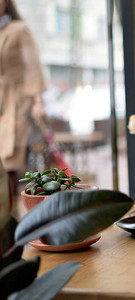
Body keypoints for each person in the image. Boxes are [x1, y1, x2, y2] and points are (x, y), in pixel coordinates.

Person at [0, 0, 47, 195]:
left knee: (13, 168)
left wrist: (38, 101)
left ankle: (18, 221)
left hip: (17, 106)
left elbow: (33, 67)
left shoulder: (19, 30)